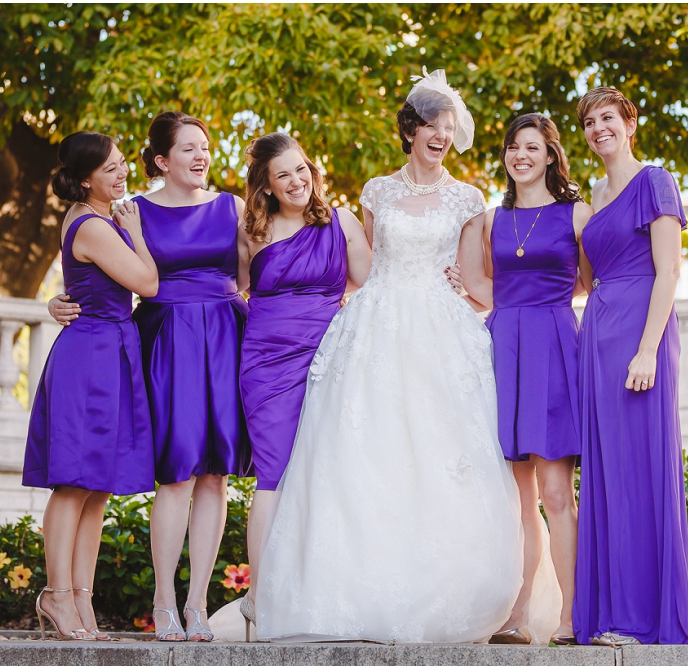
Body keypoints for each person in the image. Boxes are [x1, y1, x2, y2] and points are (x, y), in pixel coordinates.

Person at [253, 69, 523, 644]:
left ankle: (447, 589)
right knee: (366, 454)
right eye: (428, 125)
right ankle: (356, 589)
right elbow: (364, 269)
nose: (439, 135)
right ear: (409, 131)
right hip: (376, 328)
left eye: (447, 127)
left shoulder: (469, 199)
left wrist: (480, 292)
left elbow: (476, 279)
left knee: (441, 455)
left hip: (442, 330)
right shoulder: (375, 191)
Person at [48, 112, 252, 642]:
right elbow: (86, 268)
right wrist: (57, 302)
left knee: (216, 474)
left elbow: (256, 274)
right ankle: (163, 604)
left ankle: (198, 605)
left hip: (226, 335)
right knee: (177, 471)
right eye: (188, 148)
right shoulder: (126, 210)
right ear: (162, 160)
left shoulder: (232, 206)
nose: (202, 156)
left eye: (205, 147)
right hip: (164, 340)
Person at [571, 87, 688, 646]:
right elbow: (579, 280)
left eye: (608, 118)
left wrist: (648, 348)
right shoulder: (591, 195)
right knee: (605, 475)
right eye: (588, 121)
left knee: (640, 470)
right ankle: (609, 615)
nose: (598, 127)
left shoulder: (655, 180)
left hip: (640, 334)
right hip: (596, 333)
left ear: (629, 123)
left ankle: (642, 619)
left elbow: (668, 272)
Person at [463, 113, 593, 645]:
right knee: (516, 498)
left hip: (555, 346)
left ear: (550, 155)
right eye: (513, 147)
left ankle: (572, 614)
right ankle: (517, 613)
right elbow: (474, 280)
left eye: (532, 147)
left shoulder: (577, 214)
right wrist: (510, 307)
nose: (521, 155)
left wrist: (538, 307)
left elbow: (589, 282)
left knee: (556, 492)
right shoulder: (493, 219)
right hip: (503, 349)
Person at [237, 132, 372, 640]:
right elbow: (223, 287)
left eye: (301, 170)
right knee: (273, 474)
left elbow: (378, 286)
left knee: (325, 471)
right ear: (267, 187)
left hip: (329, 360)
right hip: (267, 363)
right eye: (283, 175)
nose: (296, 182)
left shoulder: (342, 223)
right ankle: (259, 596)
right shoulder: (255, 230)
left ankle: (319, 590)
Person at [25, 131, 158, 640]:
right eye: (110, 169)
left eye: (123, 163)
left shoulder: (100, 216)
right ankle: (58, 595)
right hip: (91, 356)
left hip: (112, 351)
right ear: (86, 180)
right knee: (74, 482)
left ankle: (81, 598)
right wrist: (138, 233)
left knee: (97, 486)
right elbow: (146, 284)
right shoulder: (95, 224)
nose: (122, 173)